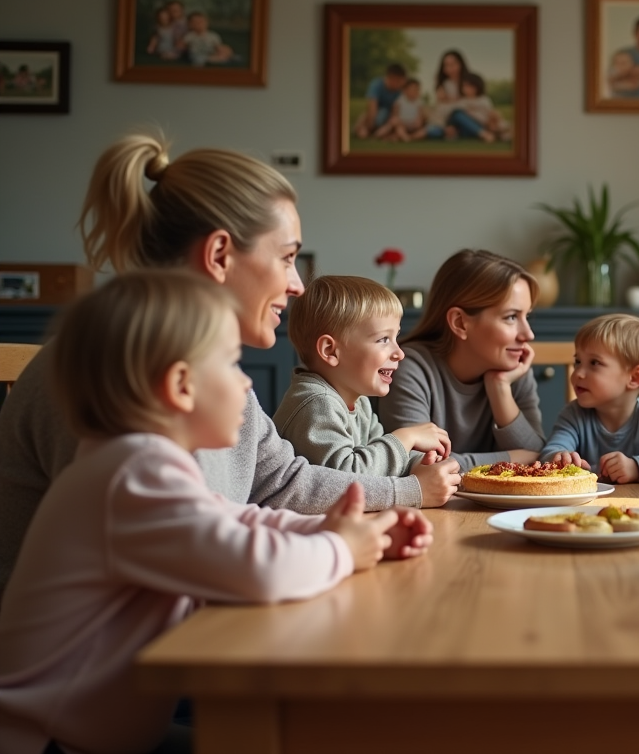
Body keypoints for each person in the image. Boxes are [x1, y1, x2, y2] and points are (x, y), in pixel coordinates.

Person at [0, 270, 432, 754]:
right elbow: (259, 568)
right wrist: (341, 549)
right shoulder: (130, 476)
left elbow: (237, 518)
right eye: (232, 365)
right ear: (181, 386)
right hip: (47, 742)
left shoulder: (143, 465)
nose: (248, 383)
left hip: (99, 732)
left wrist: (331, 528)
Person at [0, 132, 433, 599]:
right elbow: (191, 560)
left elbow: (276, 488)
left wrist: (397, 498)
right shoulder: (113, 384)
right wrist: (339, 548)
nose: (297, 285)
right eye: (288, 258)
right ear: (220, 254)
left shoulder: (209, 376)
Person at [273, 275, 459, 502]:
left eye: (396, 337)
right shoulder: (316, 402)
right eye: (383, 339)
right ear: (330, 351)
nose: (399, 353)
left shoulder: (357, 401)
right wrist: (404, 438)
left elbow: (379, 463)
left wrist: (420, 464)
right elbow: (348, 478)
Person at [377, 249, 545, 469]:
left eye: (527, 316)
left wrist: (500, 389)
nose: (528, 334)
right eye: (511, 317)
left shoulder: (513, 368)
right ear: (460, 323)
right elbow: (420, 465)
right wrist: (514, 458)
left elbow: (538, 456)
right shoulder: (410, 369)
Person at [540, 314, 639, 483]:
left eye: (594, 363)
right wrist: (558, 457)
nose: (578, 373)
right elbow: (550, 451)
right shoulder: (573, 414)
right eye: (578, 361)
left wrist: (637, 467)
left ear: (634, 378)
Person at [353, 63, 407, 139]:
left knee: (393, 119)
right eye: (399, 81)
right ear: (392, 78)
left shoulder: (401, 90)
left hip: (390, 117)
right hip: (377, 114)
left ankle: (379, 133)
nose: (400, 84)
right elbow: (372, 106)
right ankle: (362, 130)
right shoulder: (376, 84)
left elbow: (399, 109)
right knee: (364, 116)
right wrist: (370, 125)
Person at [380, 77, 429, 142]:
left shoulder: (419, 102)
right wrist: (397, 120)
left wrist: (419, 120)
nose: (415, 92)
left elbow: (420, 115)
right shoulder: (400, 101)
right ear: (405, 90)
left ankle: (408, 137)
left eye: (417, 90)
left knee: (424, 132)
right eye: (413, 90)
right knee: (398, 128)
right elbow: (395, 114)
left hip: (413, 126)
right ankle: (403, 137)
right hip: (402, 124)